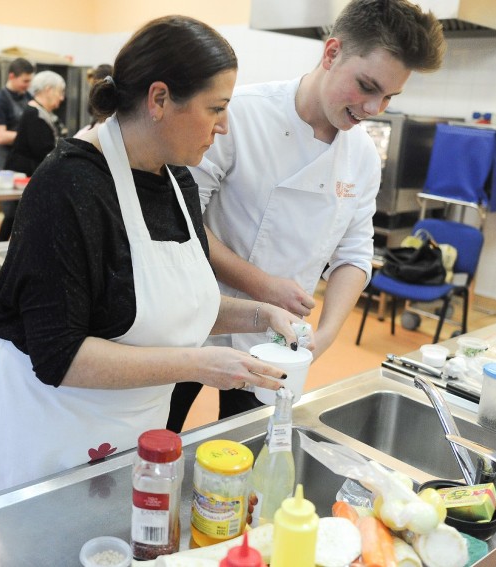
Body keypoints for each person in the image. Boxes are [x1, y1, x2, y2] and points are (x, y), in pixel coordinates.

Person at [0, 15, 302, 497]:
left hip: (133, 425)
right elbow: (59, 356)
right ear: (160, 99)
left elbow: (169, 303)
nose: (225, 126)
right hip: (50, 428)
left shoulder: (176, 178)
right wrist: (199, 365)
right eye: (216, 108)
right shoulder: (69, 186)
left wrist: (257, 314)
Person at [166, 0, 446, 431]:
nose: (375, 108)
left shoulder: (363, 156)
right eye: (367, 86)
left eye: (390, 96)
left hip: (276, 340)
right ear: (331, 53)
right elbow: (182, 222)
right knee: (154, 441)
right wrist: (262, 286)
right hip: (190, 316)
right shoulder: (240, 115)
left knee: (248, 449)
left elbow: (354, 253)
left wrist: (326, 335)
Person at [0, 71, 66, 237]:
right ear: (48, 90)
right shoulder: (34, 114)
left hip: (27, 175)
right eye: (60, 92)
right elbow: (44, 151)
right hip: (24, 176)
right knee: (14, 220)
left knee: (14, 220)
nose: (61, 98)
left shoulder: (40, 112)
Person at [0, 57, 35, 241]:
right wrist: (28, 136)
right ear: (12, 76)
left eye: (30, 81)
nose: (28, 85)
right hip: (8, 164)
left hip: (27, 163)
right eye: (25, 81)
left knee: (25, 212)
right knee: (11, 213)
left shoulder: (28, 98)